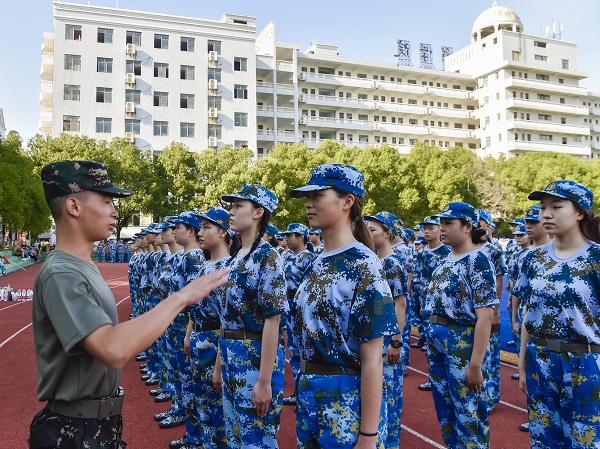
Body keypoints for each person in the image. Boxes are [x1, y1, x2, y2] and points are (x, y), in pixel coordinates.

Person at [28, 160, 229, 449]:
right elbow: (112, 348)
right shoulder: (62, 273)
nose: (114, 211)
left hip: (94, 422)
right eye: (106, 201)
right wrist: (183, 297)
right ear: (74, 206)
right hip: (73, 429)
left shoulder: (81, 267)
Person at [289, 163, 398, 448]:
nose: (308, 204)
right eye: (307, 197)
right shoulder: (318, 261)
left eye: (317, 196)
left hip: (345, 402)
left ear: (347, 201)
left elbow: (373, 358)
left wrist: (368, 435)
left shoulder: (364, 265)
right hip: (309, 394)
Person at [514, 180, 600, 448]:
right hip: (539, 359)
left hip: (586, 362)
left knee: (586, 442)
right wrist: (522, 361)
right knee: (543, 441)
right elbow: (530, 311)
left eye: (557, 206)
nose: (546, 214)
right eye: (543, 207)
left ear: (580, 212)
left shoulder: (596, 258)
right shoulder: (532, 259)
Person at [422, 202, 497, 448]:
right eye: (441, 223)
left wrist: (475, 365)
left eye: (448, 223)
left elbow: (485, 316)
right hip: (439, 343)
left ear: (467, 227)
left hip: (461, 343)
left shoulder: (477, 260)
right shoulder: (446, 259)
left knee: (468, 413)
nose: (442, 228)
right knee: (446, 412)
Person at [218, 183, 288, 448]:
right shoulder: (237, 256)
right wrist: (219, 365)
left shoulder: (267, 256)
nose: (231, 212)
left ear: (258, 213)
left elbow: (273, 320)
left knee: (257, 441)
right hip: (230, 356)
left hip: (253, 359)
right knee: (236, 438)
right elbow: (226, 317)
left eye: (239, 206)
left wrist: (264, 381)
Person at [171, 207, 232, 449]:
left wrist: (218, 361)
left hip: (215, 340)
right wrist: (189, 334)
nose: (200, 233)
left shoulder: (228, 268)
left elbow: (227, 320)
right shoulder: (204, 266)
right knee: (201, 402)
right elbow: (194, 307)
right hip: (198, 338)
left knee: (217, 408)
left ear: (223, 232)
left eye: (207, 227)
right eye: (201, 227)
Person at [365, 211, 407, 449]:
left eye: (373, 229)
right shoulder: (376, 261)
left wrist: (396, 341)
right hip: (375, 337)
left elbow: (400, 304)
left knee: (389, 394)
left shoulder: (391, 263)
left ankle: (390, 443)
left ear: (387, 234)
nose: (368, 232)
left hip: (386, 340)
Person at [412, 216, 451, 392]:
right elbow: (421, 280)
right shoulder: (422, 253)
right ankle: (434, 379)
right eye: (425, 228)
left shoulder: (447, 252)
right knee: (430, 343)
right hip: (427, 304)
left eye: (431, 228)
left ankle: (448, 381)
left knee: (446, 344)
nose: (427, 231)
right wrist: (422, 302)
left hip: (444, 306)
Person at [279, 222, 316, 406]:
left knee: (304, 350)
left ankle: (306, 393)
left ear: (301, 237)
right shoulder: (287, 256)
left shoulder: (308, 258)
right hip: (288, 307)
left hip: (301, 307)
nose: (286, 239)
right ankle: (298, 392)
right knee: (293, 351)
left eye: (290, 235)